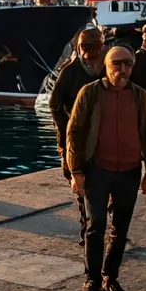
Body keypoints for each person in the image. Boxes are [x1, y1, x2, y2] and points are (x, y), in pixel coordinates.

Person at [65, 45, 146, 291]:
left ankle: (110, 277)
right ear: (105, 66)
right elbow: (74, 133)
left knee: (121, 228)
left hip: (129, 170)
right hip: (98, 169)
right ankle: (92, 279)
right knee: (96, 225)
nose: (123, 69)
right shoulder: (90, 93)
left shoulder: (141, 97)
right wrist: (76, 171)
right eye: (117, 63)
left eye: (128, 64)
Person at [49, 27, 106, 245]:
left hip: (104, 134)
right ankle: (87, 226)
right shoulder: (70, 72)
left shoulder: (108, 67)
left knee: (106, 183)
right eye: (84, 49)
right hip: (75, 137)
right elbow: (55, 104)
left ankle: (102, 224)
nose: (88, 54)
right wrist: (65, 128)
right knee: (80, 184)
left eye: (93, 49)